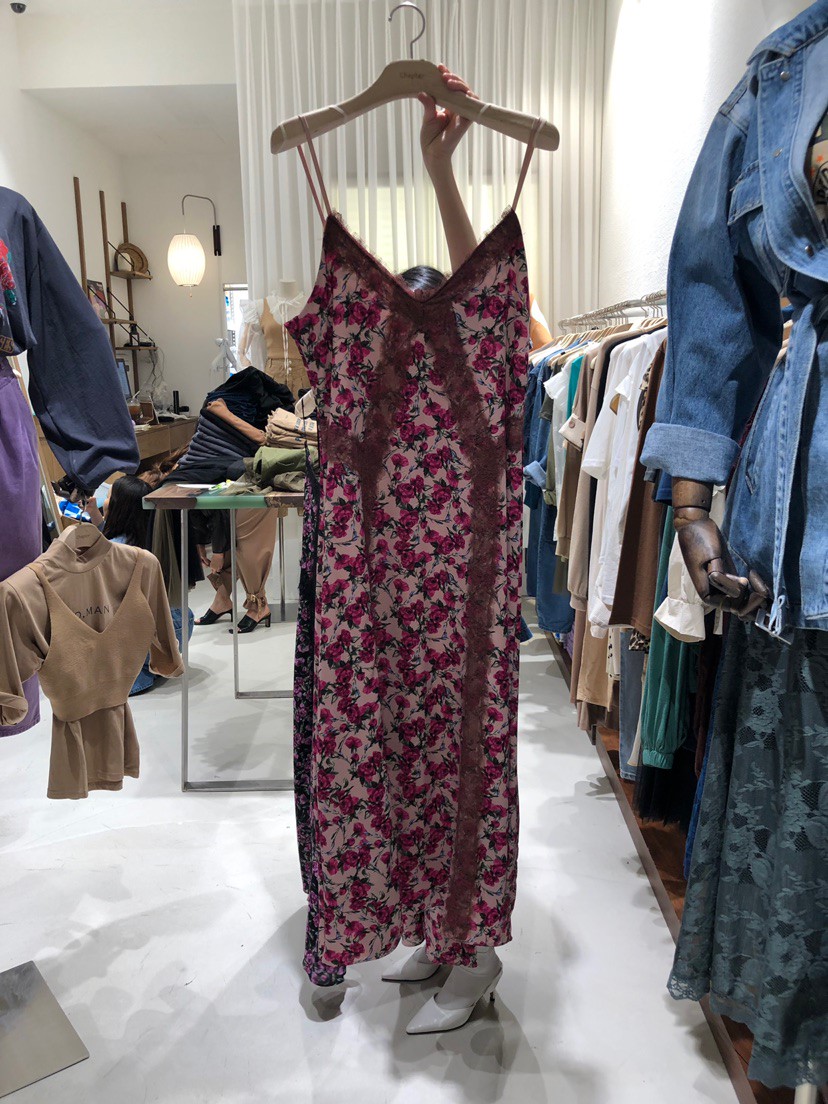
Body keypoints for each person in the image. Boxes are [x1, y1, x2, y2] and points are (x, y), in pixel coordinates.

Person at [88, 475, 193, 695]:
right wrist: (95, 516)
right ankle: (158, 664)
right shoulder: (151, 537)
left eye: (108, 496)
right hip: (180, 626)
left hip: (145, 640)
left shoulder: (112, 551)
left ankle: (138, 674)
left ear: (118, 506)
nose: (103, 500)